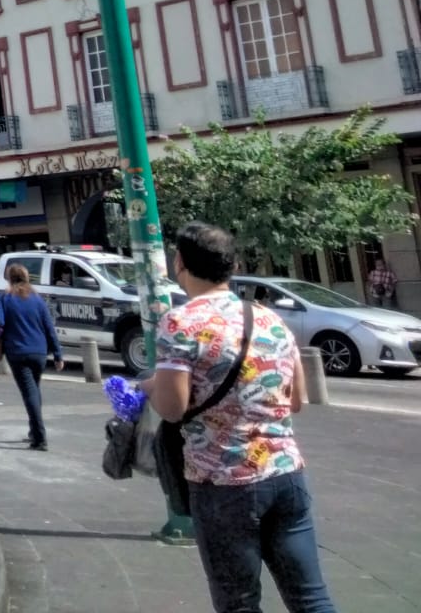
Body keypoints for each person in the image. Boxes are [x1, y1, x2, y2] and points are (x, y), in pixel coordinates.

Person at [146, 222, 336, 613]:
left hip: (222, 484)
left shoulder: (181, 323)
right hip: (286, 476)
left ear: (179, 263)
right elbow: (295, 399)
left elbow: (172, 408)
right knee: (310, 597)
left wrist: (148, 387)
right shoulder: (267, 317)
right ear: (230, 265)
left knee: (239, 603)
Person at [0, 263, 64, 450]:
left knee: (29, 392)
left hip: (17, 351)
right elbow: (49, 328)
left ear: (8, 278)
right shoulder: (37, 299)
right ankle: (33, 431)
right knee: (34, 389)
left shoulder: (3, 298)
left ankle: (40, 438)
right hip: (39, 351)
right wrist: (57, 354)